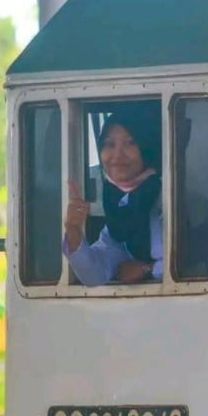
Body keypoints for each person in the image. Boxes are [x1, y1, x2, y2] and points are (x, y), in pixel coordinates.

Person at [63, 107, 162, 286]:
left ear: (146, 146)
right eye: (109, 144)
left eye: (130, 143)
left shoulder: (171, 198)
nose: (117, 155)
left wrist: (148, 270)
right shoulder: (120, 210)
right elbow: (95, 275)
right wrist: (73, 229)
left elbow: (193, 263)